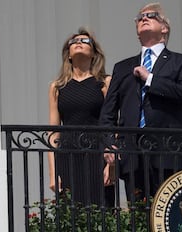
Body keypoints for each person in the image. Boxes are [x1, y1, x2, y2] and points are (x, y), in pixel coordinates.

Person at [100, 2, 182, 201]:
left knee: (171, 215)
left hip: (170, 153)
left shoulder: (181, 62)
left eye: (151, 15)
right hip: (133, 155)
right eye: (140, 17)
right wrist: (109, 143)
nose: (144, 18)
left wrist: (150, 79)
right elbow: (108, 111)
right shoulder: (123, 67)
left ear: (164, 28)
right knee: (138, 217)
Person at [48, 27, 114, 207]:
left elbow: (113, 124)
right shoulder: (57, 87)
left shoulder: (104, 82)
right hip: (68, 154)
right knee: (70, 213)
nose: (79, 43)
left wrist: (112, 164)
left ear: (93, 53)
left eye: (85, 41)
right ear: (68, 54)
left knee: (101, 212)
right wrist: (53, 173)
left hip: (97, 153)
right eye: (74, 41)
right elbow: (53, 133)